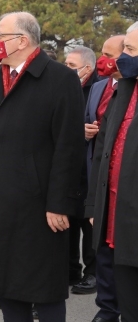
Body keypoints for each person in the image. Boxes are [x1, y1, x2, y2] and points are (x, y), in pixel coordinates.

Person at [0, 12, 86, 322]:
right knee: (6, 285)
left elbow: (68, 146)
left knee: (43, 287)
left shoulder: (60, 78)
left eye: (0, 35)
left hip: (38, 202)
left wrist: (60, 203)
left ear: (22, 40)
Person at [87, 24, 138, 322]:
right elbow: (104, 153)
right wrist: (95, 205)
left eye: (130, 50)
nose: (123, 57)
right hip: (118, 223)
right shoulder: (123, 91)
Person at [82, 35, 125, 318]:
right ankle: (107, 307)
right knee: (102, 247)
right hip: (98, 174)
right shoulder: (98, 87)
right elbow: (84, 119)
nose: (102, 61)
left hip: (124, 180)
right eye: (102, 53)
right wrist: (83, 131)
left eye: (110, 54)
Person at [64, 46, 99, 294]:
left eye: (71, 66)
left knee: (88, 222)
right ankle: (71, 270)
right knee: (69, 221)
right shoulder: (64, 87)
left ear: (87, 69)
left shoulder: (98, 90)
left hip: (89, 167)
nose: (66, 69)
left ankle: (93, 272)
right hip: (69, 167)